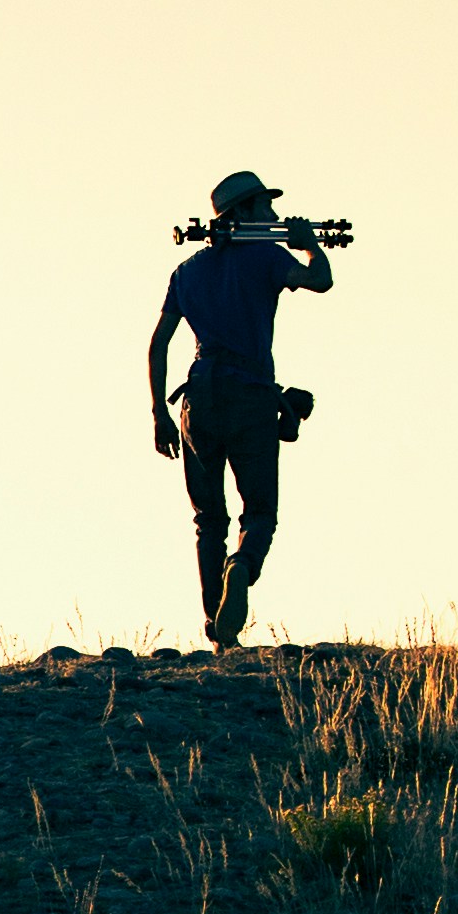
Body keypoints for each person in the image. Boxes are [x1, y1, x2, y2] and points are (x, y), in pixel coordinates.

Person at [147, 170, 334, 645]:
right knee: (260, 513)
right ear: (245, 213)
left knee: (208, 520)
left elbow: (159, 344)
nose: (272, 215)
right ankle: (242, 568)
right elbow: (321, 280)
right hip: (249, 394)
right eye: (264, 207)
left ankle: (218, 632)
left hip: (198, 397)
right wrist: (308, 243)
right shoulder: (266, 257)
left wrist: (160, 414)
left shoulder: (186, 271)